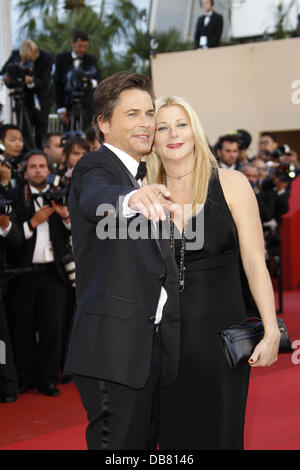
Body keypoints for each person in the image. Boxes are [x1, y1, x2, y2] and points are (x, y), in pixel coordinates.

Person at [146, 96, 280, 450]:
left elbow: (254, 263)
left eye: (181, 124)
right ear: (152, 139)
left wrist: (270, 329)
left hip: (222, 342)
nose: (173, 134)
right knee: (173, 441)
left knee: (222, 436)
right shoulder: (144, 196)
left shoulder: (231, 184)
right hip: (164, 344)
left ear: (195, 130)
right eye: (162, 127)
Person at [63, 71, 180, 450]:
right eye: (132, 114)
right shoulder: (95, 167)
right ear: (104, 123)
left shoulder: (140, 176)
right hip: (110, 352)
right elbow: (96, 197)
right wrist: (131, 200)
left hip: (145, 350)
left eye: (149, 113)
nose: (146, 123)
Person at [2, 151, 72, 396]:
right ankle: (25, 378)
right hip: (23, 274)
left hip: (54, 274)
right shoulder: (13, 197)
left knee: (52, 327)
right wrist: (32, 222)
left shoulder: (60, 196)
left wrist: (65, 217)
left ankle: (49, 379)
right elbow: (10, 238)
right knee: (22, 328)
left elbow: (73, 233)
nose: (38, 170)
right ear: (25, 171)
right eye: (33, 166)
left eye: (42, 166)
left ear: (49, 169)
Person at [0, 40, 52, 149]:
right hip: (22, 99)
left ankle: (40, 155)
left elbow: (45, 81)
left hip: (40, 102)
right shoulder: (15, 56)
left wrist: (31, 80)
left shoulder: (45, 58)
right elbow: (3, 73)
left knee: (40, 133)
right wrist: (6, 78)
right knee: (24, 133)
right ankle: (25, 155)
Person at [54, 30, 102, 131]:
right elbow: (57, 85)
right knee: (67, 135)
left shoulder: (91, 59)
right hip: (68, 106)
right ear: (72, 43)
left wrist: (88, 82)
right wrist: (61, 108)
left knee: (87, 135)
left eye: (85, 47)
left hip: (87, 108)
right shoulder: (61, 59)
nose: (83, 50)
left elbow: (98, 79)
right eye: (80, 46)